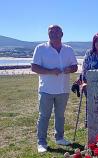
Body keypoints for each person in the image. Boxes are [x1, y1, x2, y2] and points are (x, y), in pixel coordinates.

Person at [31, 25, 78, 153]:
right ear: (48, 34)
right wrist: (50, 71)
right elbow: (34, 67)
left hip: (63, 89)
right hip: (46, 89)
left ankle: (60, 138)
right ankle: (41, 142)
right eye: (51, 31)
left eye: (57, 31)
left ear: (62, 34)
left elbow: (75, 67)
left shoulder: (68, 49)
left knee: (60, 116)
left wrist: (69, 69)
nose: (54, 33)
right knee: (44, 116)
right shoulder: (40, 48)